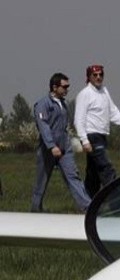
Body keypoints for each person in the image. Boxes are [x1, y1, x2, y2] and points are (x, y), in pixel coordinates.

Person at [73, 64, 120, 198]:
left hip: (102, 136)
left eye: (101, 75)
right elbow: (78, 120)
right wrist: (84, 140)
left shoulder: (104, 91)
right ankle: (117, 203)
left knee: (93, 175)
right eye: (95, 75)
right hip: (92, 136)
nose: (98, 77)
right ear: (89, 77)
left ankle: (88, 204)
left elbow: (113, 113)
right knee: (106, 169)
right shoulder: (85, 94)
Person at [30, 72, 91, 213]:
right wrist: (51, 146)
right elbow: (43, 126)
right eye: (64, 86)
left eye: (68, 86)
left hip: (64, 148)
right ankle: (35, 209)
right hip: (48, 149)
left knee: (73, 176)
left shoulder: (63, 104)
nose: (67, 89)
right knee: (41, 181)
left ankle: (87, 207)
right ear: (54, 87)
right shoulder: (42, 104)